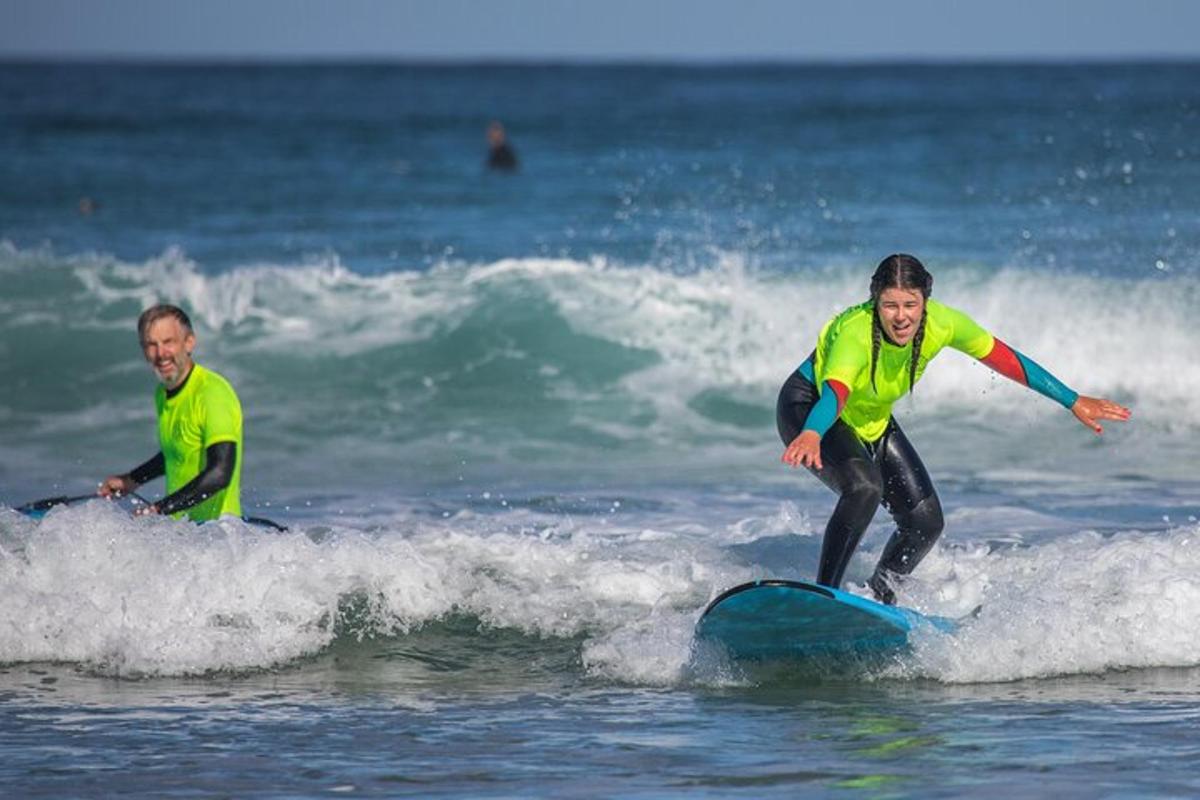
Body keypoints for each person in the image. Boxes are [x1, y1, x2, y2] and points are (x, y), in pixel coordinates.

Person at [777, 254, 1130, 604]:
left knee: (924, 521)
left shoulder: (943, 323)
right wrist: (813, 432)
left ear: (925, 301)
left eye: (910, 304)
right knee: (864, 488)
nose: (901, 316)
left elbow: (1005, 358)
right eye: (889, 305)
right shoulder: (854, 334)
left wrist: (1071, 399)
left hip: (870, 416)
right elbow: (836, 392)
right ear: (875, 301)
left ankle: (878, 597)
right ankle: (823, 598)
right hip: (811, 409)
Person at [99, 304, 243, 522]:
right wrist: (131, 480)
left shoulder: (212, 392)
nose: (160, 353)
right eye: (151, 345)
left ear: (189, 342)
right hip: (184, 533)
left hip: (219, 534)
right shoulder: (163, 393)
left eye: (168, 342)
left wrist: (159, 509)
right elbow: (177, 450)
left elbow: (220, 473)